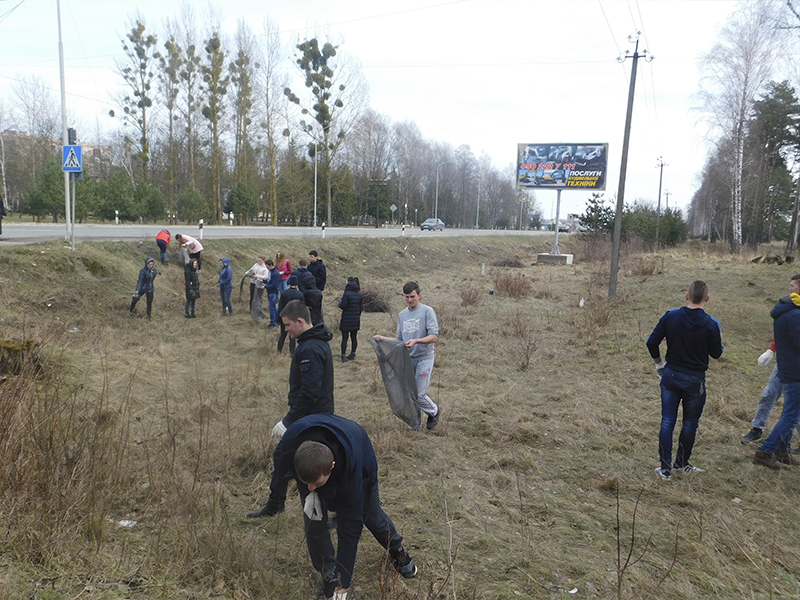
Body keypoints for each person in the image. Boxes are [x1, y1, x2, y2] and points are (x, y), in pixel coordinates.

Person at [245, 414, 418, 600]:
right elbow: (281, 472)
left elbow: (350, 528)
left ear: (332, 466)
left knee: (370, 514)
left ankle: (397, 550)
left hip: (358, 451)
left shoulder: (351, 470)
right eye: (306, 482)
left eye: (317, 484)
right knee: (314, 522)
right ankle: (328, 574)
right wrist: (279, 502)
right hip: (310, 444)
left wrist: (344, 583)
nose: (311, 489)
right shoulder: (290, 448)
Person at [646, 280, 724, 480]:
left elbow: (652, 342)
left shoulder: (670, 316)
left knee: (667, 421)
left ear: (687, 296)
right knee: (690, 423)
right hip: (695, 380)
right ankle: (681, 464)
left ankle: (665, 470)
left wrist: (659, 364)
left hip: (670, 375)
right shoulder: (711, 324)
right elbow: (717, 353)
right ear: (707, 298)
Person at [373, 281, 440, 430]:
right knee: (409, 393)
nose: (410, 300)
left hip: (424, 358)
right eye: (406, 297)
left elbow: (434, 337)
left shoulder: (427, 311)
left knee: (419, 395)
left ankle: (434, 412)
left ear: (419, 295)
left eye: (412, 296)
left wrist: (417, 341)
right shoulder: (403, 315)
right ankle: (415, 424)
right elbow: (399, 339)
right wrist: (383, 338)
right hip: (408, 359)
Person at [754, 274, 800, 469]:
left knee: (790, 412)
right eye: (791, 286)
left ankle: (782, 450)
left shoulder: (788, 311)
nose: (790, 289)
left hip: (789, 367)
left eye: (792, 285)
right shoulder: (795, 314)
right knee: (791, 416)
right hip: (796, 371)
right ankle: (765, 451)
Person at [271, 300, 334, 439]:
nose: (286, 329)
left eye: (288, 324)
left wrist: (288, 421)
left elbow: (310, 391)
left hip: (313, 420)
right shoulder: (312, 343)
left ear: (300, 321)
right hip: (312, 417)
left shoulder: (310, 349)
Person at [741, 342, 800, 450]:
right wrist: (771, 349)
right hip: (786, 361)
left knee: (794, 405)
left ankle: (782, 446)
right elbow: (786, 332)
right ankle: (757, 430)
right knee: (769, 394)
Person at [277, 275, 304, 355]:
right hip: (294, 317)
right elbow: (302, 308)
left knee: (282, 335)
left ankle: (279, 351)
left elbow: (280, 306)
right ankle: (292, 352)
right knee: (292, 336)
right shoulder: (300, 294)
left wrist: (279, 318)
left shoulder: (284, 293)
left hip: (285, 317)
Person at [338, 277, 363, 363]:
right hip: (355, 319)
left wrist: (339, 303)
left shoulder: (347, 294)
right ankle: (353, 353)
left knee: (345, 337)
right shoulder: (359, 294)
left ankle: (343, 355)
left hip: (346, 319)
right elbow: (361, 308)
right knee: (354, 337)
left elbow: (343, 306)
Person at [245, 256, 269, 321]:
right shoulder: (255, 265)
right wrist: (248, 273)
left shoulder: (265, 268)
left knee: (257, 298)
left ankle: (257, 311)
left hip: (259, 284)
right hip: (253, 282)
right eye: (258, 260)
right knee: (252, 297)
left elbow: (266, 277)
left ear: (264, 260)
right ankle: (251, 310)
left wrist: (257, 276)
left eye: (260, 260)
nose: (259, 262)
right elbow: (250, 270)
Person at [264, 258, 282, 327]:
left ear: (271, 265)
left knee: (271, 307)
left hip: (273, 292)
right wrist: (263, 282)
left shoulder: (276, 273)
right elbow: (269, 280)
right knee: (273, 307)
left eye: (267, 266)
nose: (267, 268)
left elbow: (275, 285)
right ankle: (277, 320)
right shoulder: (270, 272)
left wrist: (266, 286)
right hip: (270, 291)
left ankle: (273, 322)